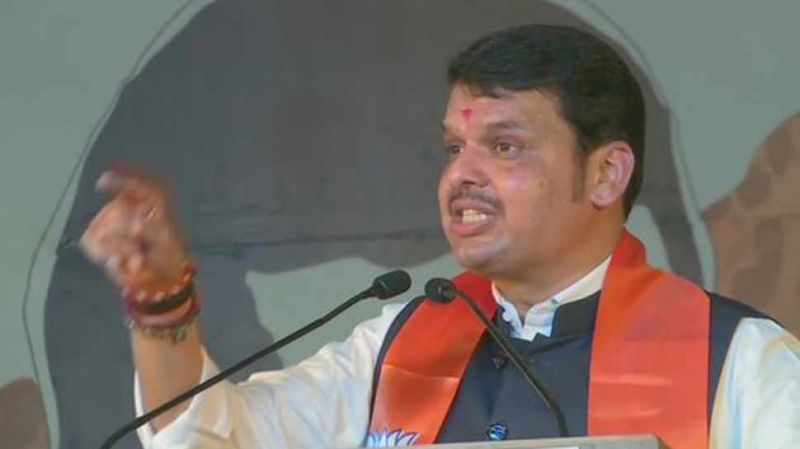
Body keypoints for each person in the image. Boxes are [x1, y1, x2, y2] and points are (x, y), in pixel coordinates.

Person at [80, 25, 800, 449]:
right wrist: (162, 305)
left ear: (606, 174)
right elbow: (212, 438)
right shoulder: (398, 344)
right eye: (455, 148)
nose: (462, 176)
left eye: (505, 147)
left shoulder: (739, 361)